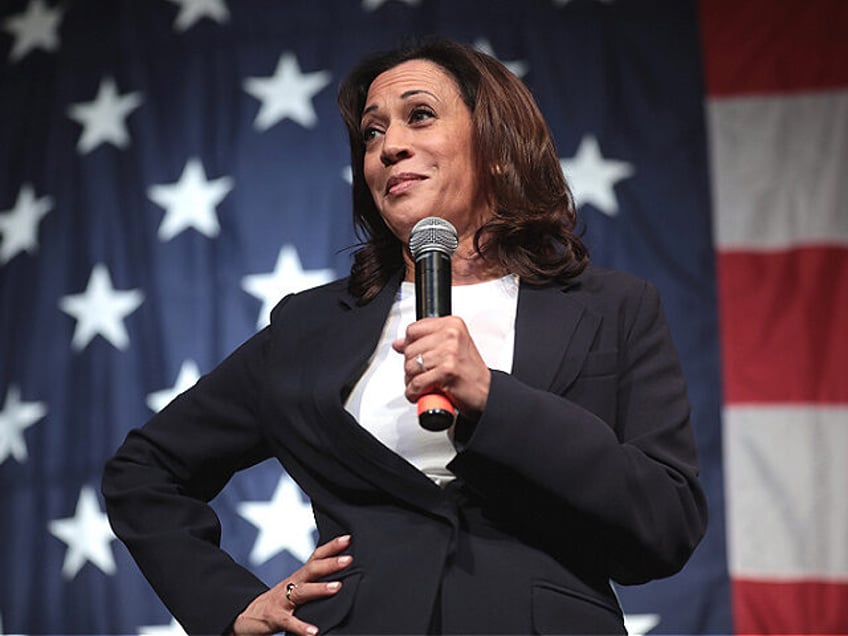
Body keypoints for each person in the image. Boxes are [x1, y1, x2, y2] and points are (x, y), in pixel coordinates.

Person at [102, 37, 707, 635]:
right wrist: (230, 604)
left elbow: (665, 523)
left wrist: (496, 401)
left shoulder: (614, 309)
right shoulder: (308, 328)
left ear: (497, 147)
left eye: (419, 116)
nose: (389, 147)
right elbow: (144, 470)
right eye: (371, 132)